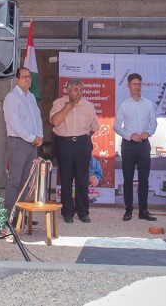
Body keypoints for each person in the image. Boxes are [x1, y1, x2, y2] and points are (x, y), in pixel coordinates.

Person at [50, 78, 99, 223]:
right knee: (66, 178)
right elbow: (55, 121)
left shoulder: (88, 106)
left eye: (81, 90)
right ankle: (68, 212)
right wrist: (69, 106)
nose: (79, 92)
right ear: (68, 90)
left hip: (82, 144)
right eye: (76, 89)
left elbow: (93, 128)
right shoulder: (59, 103)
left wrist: (81, 138)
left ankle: (83, 212)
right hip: (64, 144)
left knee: (82, 178)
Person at [114, 72, 158, 221]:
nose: (137, 87)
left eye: (139, 84)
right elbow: (116, 126)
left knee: (144, 179)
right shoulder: (124, 105)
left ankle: (143, 211)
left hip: (144, 145)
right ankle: (128, 210)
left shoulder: (148, 104)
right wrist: (129, 135)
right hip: (128, 145)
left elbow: (154, 123)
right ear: (128, 85)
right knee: (128, 178)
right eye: (134, 84)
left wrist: (148, 132)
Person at [3, 67, 44, 220]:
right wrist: (32, 137)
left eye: (29, 77)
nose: (28, 79)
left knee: (26, 181)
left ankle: (21, 216)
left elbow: (37, 118)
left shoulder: (31, 96)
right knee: (14, 180)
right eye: (24, 77)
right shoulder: (12, 97)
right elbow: (16, 123)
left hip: (32, 144)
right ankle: (9, 216)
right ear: (17, 80)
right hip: (19, 143)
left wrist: (39, 135)